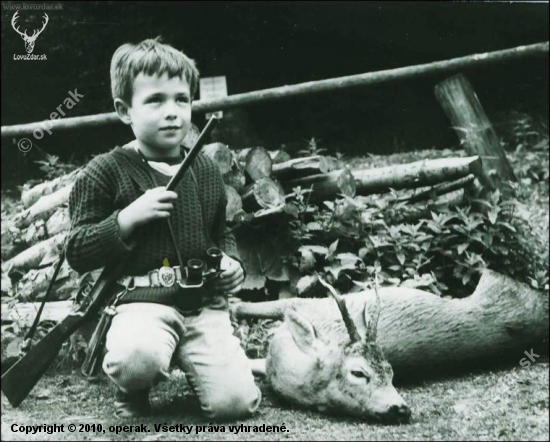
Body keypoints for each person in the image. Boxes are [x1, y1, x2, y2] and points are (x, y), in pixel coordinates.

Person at [66, 37, 261, 420]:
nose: (172, 112)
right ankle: (132, 385)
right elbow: (77, 249)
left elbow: (220, 234)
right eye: (155, 100)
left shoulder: (204, 170)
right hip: (141, 304)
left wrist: (231, 261)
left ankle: (202, 368)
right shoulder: (105, 171)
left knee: (235, 404)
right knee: (136, 358)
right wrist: (127, 219)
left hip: (202, 307)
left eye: (181, 100)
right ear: (125, 110)